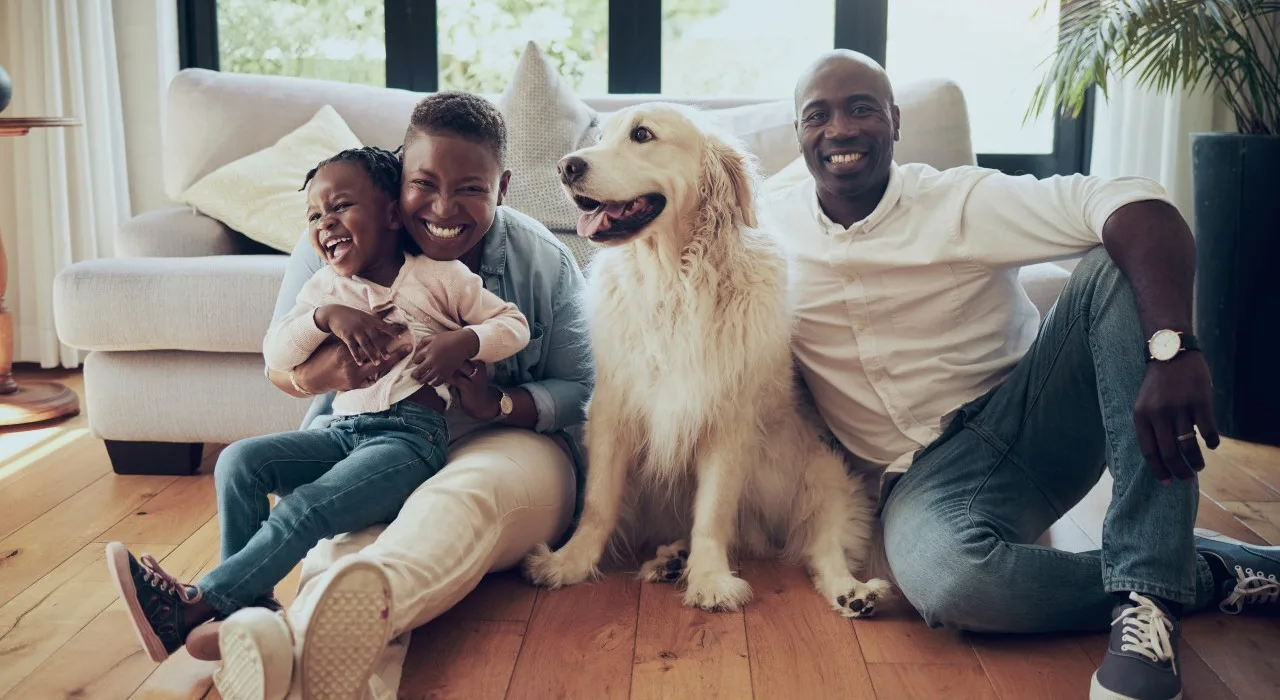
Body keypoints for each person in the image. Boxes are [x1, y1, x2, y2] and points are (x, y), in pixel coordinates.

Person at [765, 49, 1280, 700]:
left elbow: (1137, 202)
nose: (839, 129)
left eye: (861, 109)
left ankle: (1147, 602)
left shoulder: (958, 200)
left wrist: (1173, 348)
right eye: (819, 115)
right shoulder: (769, 225)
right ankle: (1201, 568)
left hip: (1034, 416)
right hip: (921, 480)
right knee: (956, 585)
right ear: (799, 136)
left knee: (1112, 260)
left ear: (895, 122)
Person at [194, 92, 591, 700]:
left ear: (502, 187)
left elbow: (581, 387)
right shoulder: (335, 246)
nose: (442, 209)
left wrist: (499, 405)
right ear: (397, 177)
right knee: (344, 527)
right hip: (369, 428)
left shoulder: (544, 262)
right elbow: (278, 364)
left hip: (508, 439)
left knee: (456, 501)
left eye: (471, 190)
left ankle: (290, 650)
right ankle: (271, 647)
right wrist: (327, 376)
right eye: (423, 184)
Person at [102, 144, 532, 668]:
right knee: (240, 462)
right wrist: (326, 317)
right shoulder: (324, 288)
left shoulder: (438, 277)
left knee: (305, 506)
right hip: (340, 430)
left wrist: (463, 342)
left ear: (393, 214)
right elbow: (277, 353)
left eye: (341, 206)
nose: (325, 223)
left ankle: (198, 604)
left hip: (409, 441)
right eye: (314, 214)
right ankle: (244, 615)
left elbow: (513, 325)